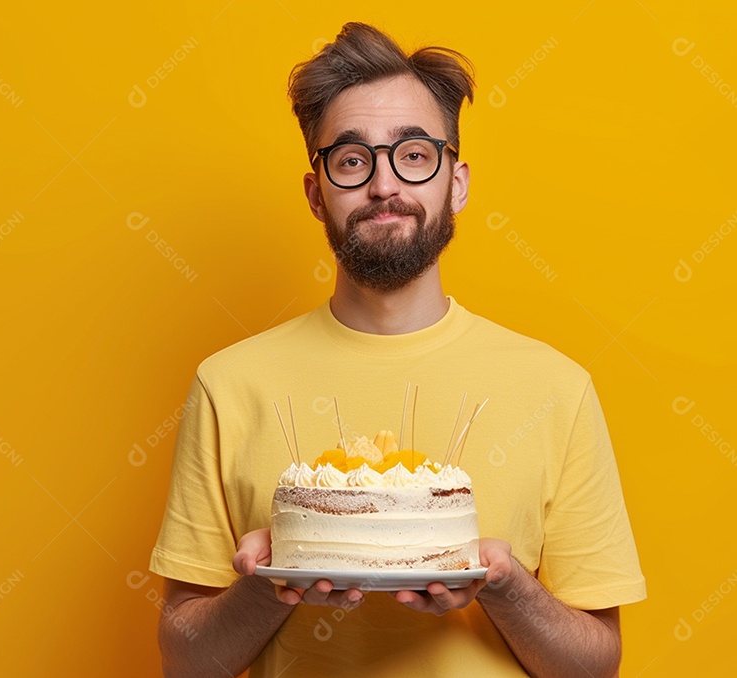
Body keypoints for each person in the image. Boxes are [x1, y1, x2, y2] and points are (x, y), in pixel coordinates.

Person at [149, 22, 645, 678]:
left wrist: (505, 584)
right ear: (315, 193)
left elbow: (595, 668)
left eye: (413, 154)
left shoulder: (556, 386)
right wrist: (275, 580)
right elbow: (188, 664)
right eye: (352, 161)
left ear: (457, 181)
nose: (384, 186)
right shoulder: (229, 384)